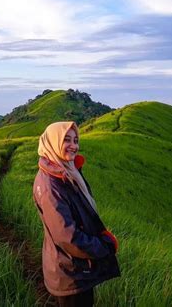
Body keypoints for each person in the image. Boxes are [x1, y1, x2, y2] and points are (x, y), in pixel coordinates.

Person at [33, 121, 120, 307]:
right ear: (53, 142)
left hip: (74, 267)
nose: (74, 146)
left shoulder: (64, 173)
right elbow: (68, 237)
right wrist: (105, 246)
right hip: (71, 272)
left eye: (76, 140)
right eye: (66, 140)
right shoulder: (52, 185)